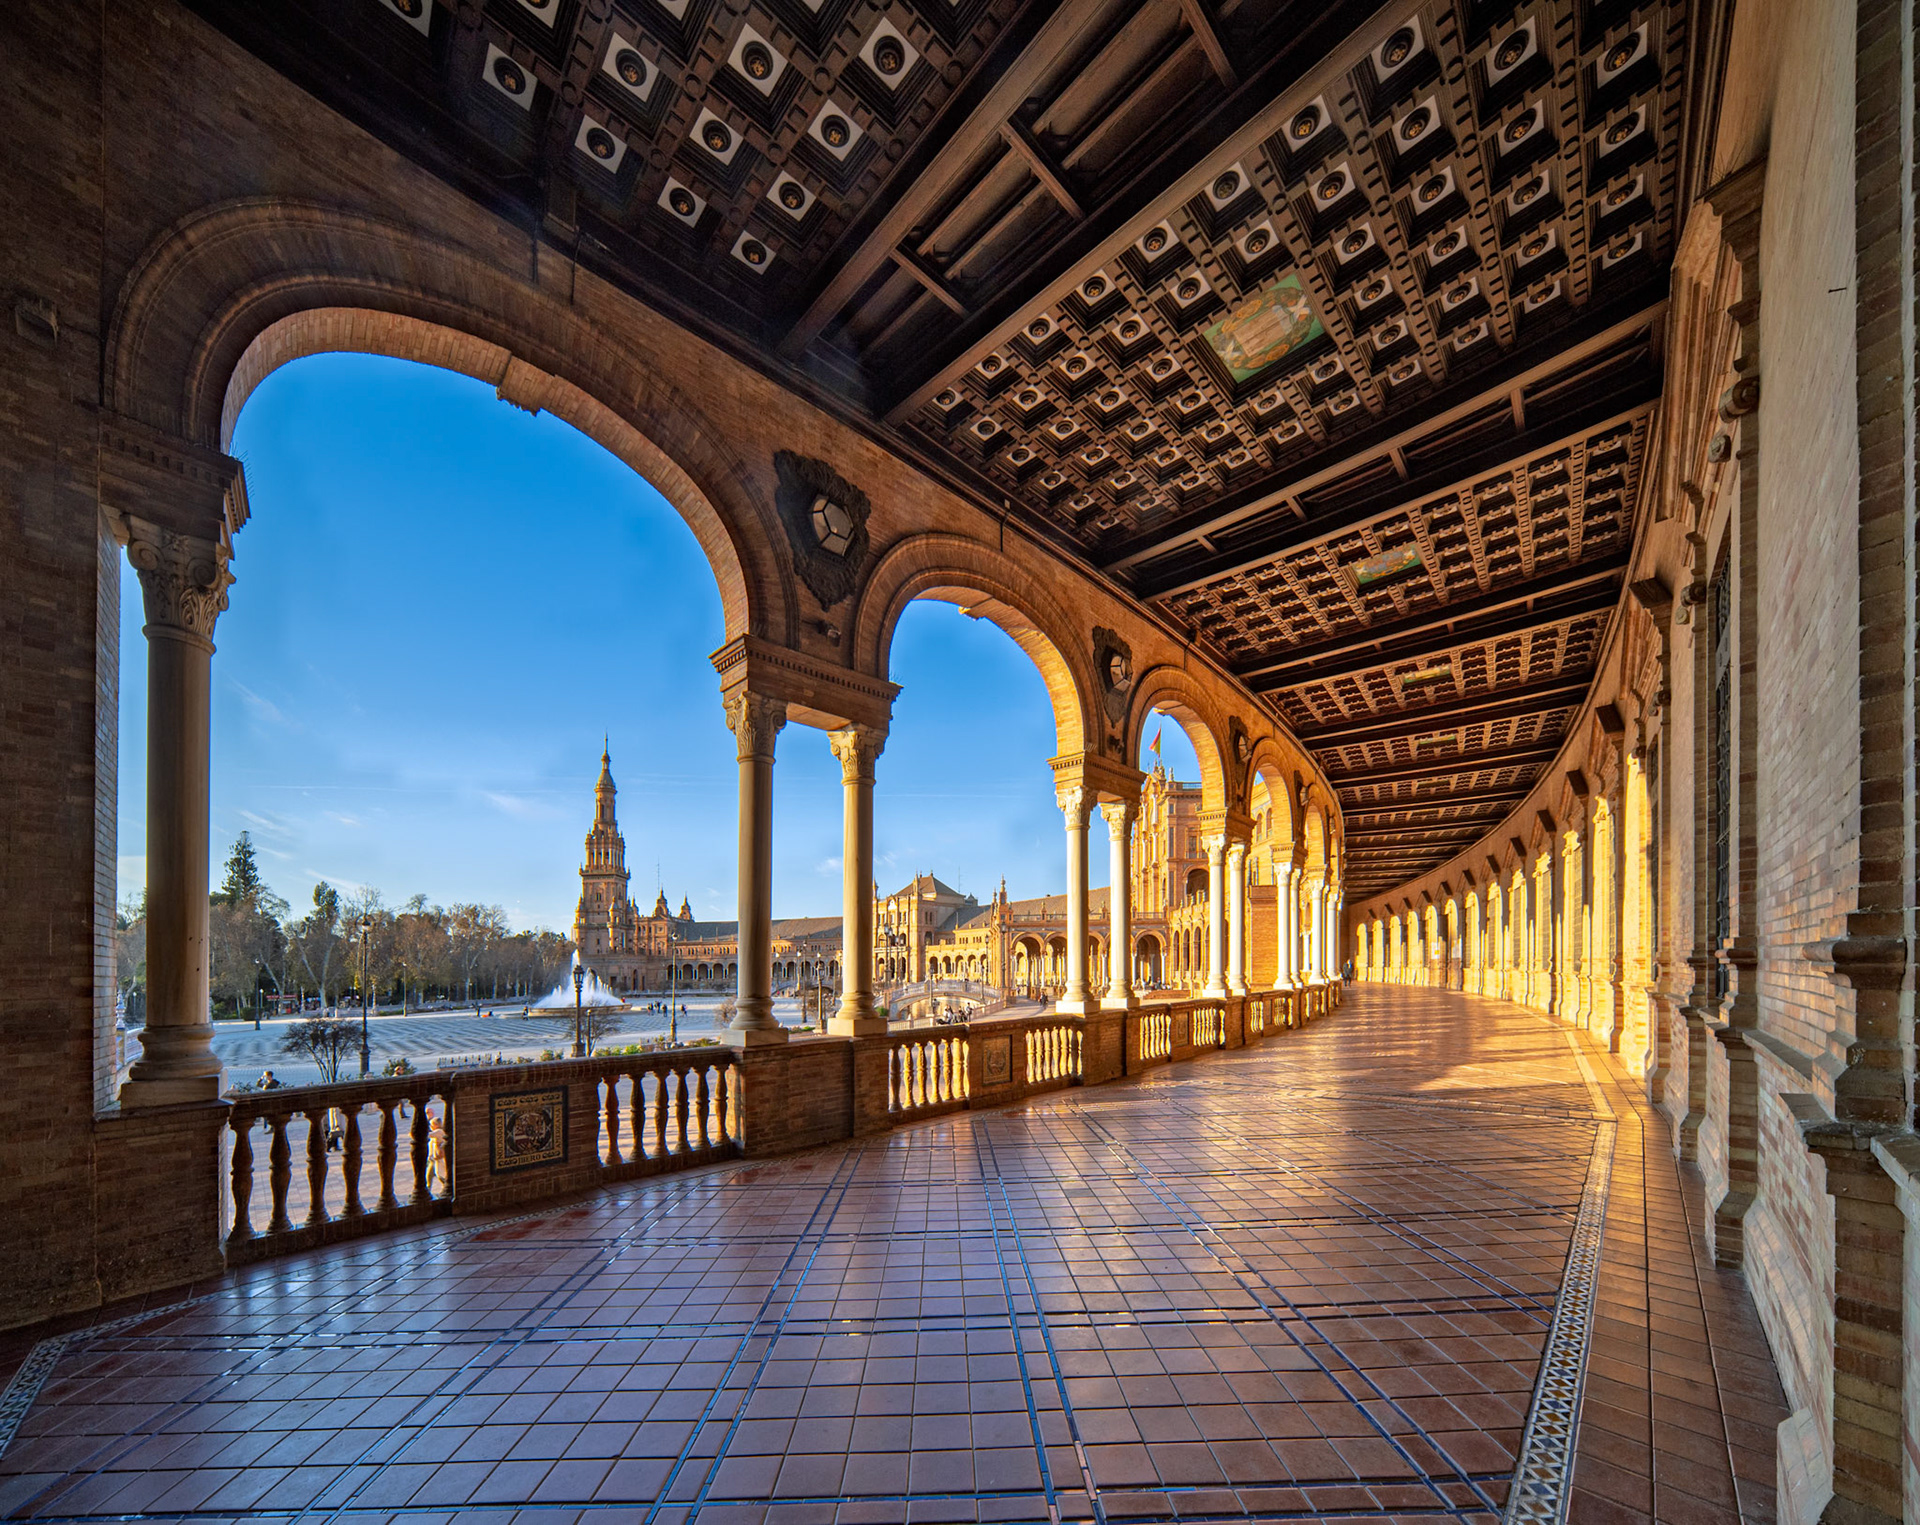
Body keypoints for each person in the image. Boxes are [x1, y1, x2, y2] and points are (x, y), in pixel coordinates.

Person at [426, 1114, 450, 1194]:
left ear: (436, 1125)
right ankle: (427, 1190)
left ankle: (447, 1187)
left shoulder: (439, 1131)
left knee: (439, 1174)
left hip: (438, 1158)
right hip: (434, 1158)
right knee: (429, 1175)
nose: (430, 1126)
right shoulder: (438, 1131)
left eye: (431, 1125)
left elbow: (427, 1135)